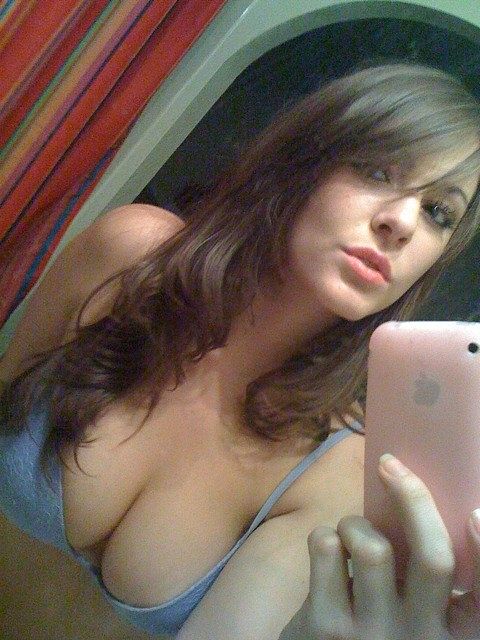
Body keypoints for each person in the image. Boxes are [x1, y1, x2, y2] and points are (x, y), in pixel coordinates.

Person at [1, 59, 480, 640]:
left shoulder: (337, 471)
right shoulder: (130, 254)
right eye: (378, 171)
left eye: (438, 213)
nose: (402, 222)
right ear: (305, 161)